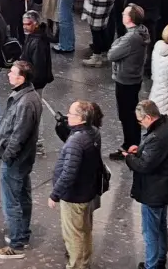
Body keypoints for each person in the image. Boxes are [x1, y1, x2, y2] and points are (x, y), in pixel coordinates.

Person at [0, 60, 43, 259]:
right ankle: (21, 234)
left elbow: (19, 135)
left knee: (12, 201)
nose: (8, 75)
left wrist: (7, 156)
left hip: (16, 160)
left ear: (22, 78)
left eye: (12, 72)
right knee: (22, 196)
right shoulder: (29, 96)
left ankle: (16, 244)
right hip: (23, 158)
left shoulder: (26, 102)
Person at [124, 99, 168, 269]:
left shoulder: (157, 137)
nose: (140, 124)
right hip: (167, 187)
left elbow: (144, 166)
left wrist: (129, 157)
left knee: (150, 231)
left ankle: (152, 265)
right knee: (161, 224)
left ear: (148, 117)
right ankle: (160, 258)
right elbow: (158, 157)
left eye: (140, 121)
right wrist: (140, 151)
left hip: (154, 190)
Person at [49, 100, 105, 269]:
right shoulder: (93, 132)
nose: (67, 116)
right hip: (88, 191)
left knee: (74, 235)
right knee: (85, 231)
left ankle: (77, 266)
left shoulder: (76, 141)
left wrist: (55, 194)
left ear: (81, 118)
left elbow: (68, 173)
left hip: (74, 196)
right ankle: (84, 263)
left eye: (71, 114)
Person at [106, 5, 149, 158]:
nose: (122, 15)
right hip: (134, 77)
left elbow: (111, 54)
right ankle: (133, 143)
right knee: (131, 113)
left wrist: (115, 44)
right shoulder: (141, 32)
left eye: (124, 14)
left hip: (125, 79)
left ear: (130, 18)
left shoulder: (130, 38)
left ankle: (129, 146)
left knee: (126, 115)